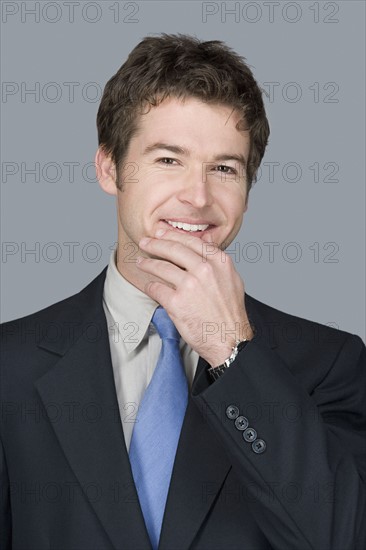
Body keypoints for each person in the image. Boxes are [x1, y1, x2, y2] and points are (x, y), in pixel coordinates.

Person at [1, 33, 365, 550]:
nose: (197, 197)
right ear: (109, 168)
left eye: (223, 168)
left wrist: (232, 350)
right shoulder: (9, 365)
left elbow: (341, 539)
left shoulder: (330, 363)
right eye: (168, 160)